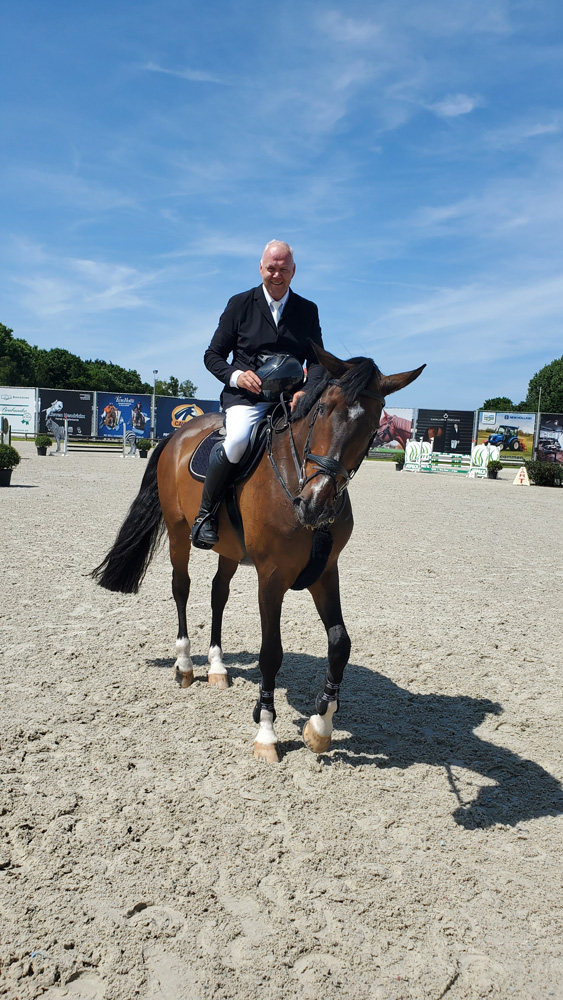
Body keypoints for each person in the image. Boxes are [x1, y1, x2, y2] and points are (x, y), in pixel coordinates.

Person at [191, 240, 325, 548]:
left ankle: (321, 514)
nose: (277, 275)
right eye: (271, 268)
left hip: (290, 401)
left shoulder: (308, 310)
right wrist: (237, 377)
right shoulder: (240, 304)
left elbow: (317, 362)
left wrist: (306, 391)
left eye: (283, 269)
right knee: (237, 441)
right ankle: (205, 515)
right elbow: (212, 355)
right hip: (247, 399)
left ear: (293, 271)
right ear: (260, 268)